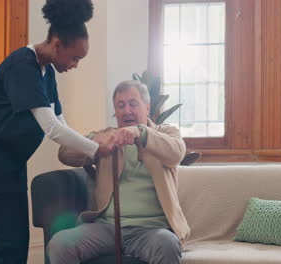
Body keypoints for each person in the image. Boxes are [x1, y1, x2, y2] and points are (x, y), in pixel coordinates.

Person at [0, 0, 116, 263]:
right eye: (75, 57)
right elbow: (51, 128)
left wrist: (88, 157)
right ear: (56, 46)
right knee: (6, 244)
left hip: (10, 163)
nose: (76, 64)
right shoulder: (22, 65)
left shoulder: (47, 73)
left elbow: (61, 123)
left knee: (18, 240)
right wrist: (97, 149)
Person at [49, 80, 191, 264]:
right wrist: (94, 142)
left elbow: (177, 152)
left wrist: (141, 132)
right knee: (60, 244)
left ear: (147, 108)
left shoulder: (165, 132)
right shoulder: (106, 136)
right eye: (120, 105)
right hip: (106, 227)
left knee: (167, 244)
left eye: (133, 104)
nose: (126, 111)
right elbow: (65, 154)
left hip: (152, 230)